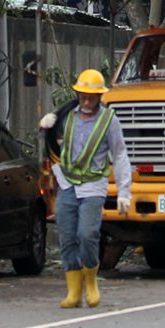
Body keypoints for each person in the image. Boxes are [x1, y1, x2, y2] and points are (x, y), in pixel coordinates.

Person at [39, 68, 132, 309]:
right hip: (68, 184)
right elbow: (51, 144)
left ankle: (90, 281)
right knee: (68, 237)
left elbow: (120, 154)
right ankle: (73, 291)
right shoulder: (67, 116)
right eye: (83, 96)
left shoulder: (109, 121)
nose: (87, 101)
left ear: (100, 97)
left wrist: (124, 192)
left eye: (91, 97)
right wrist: (47, 126)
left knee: (87, 234)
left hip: (93, 185)